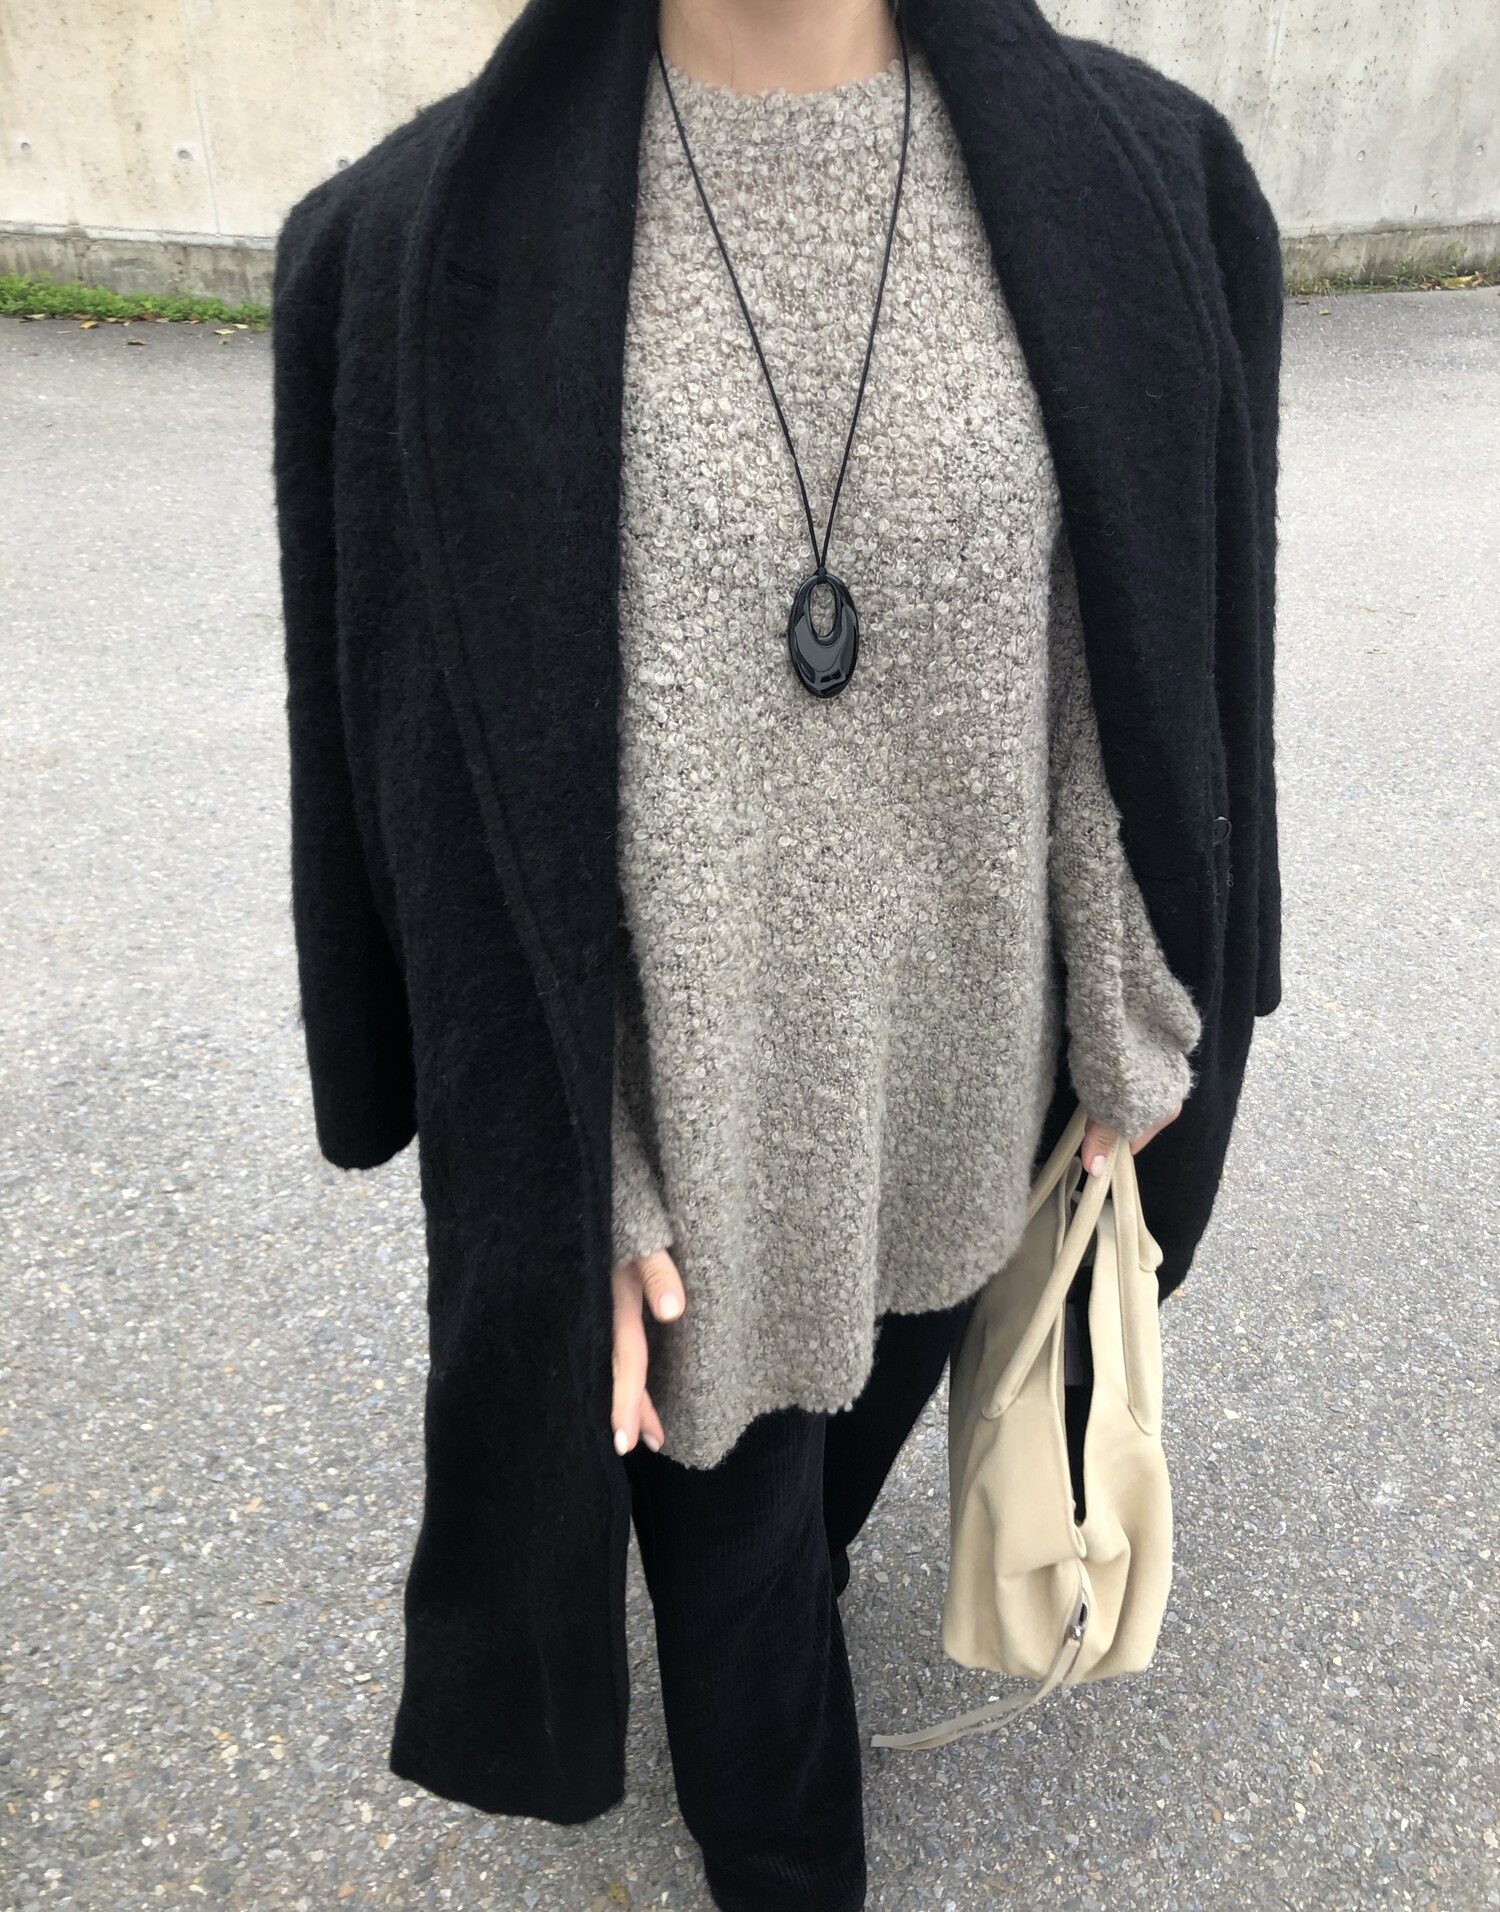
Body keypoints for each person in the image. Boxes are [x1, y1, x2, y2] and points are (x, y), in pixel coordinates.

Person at [269, 0, 1283, 1901]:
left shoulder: (1142, 182)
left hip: (976, 1092)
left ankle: (778, 1592)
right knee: (743, 1622)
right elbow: (421, 775)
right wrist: (563, 1171)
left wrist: (1145, 1018)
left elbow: (1165, 653)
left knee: (824, 1487)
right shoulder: (408, 251)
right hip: (688, 1147)